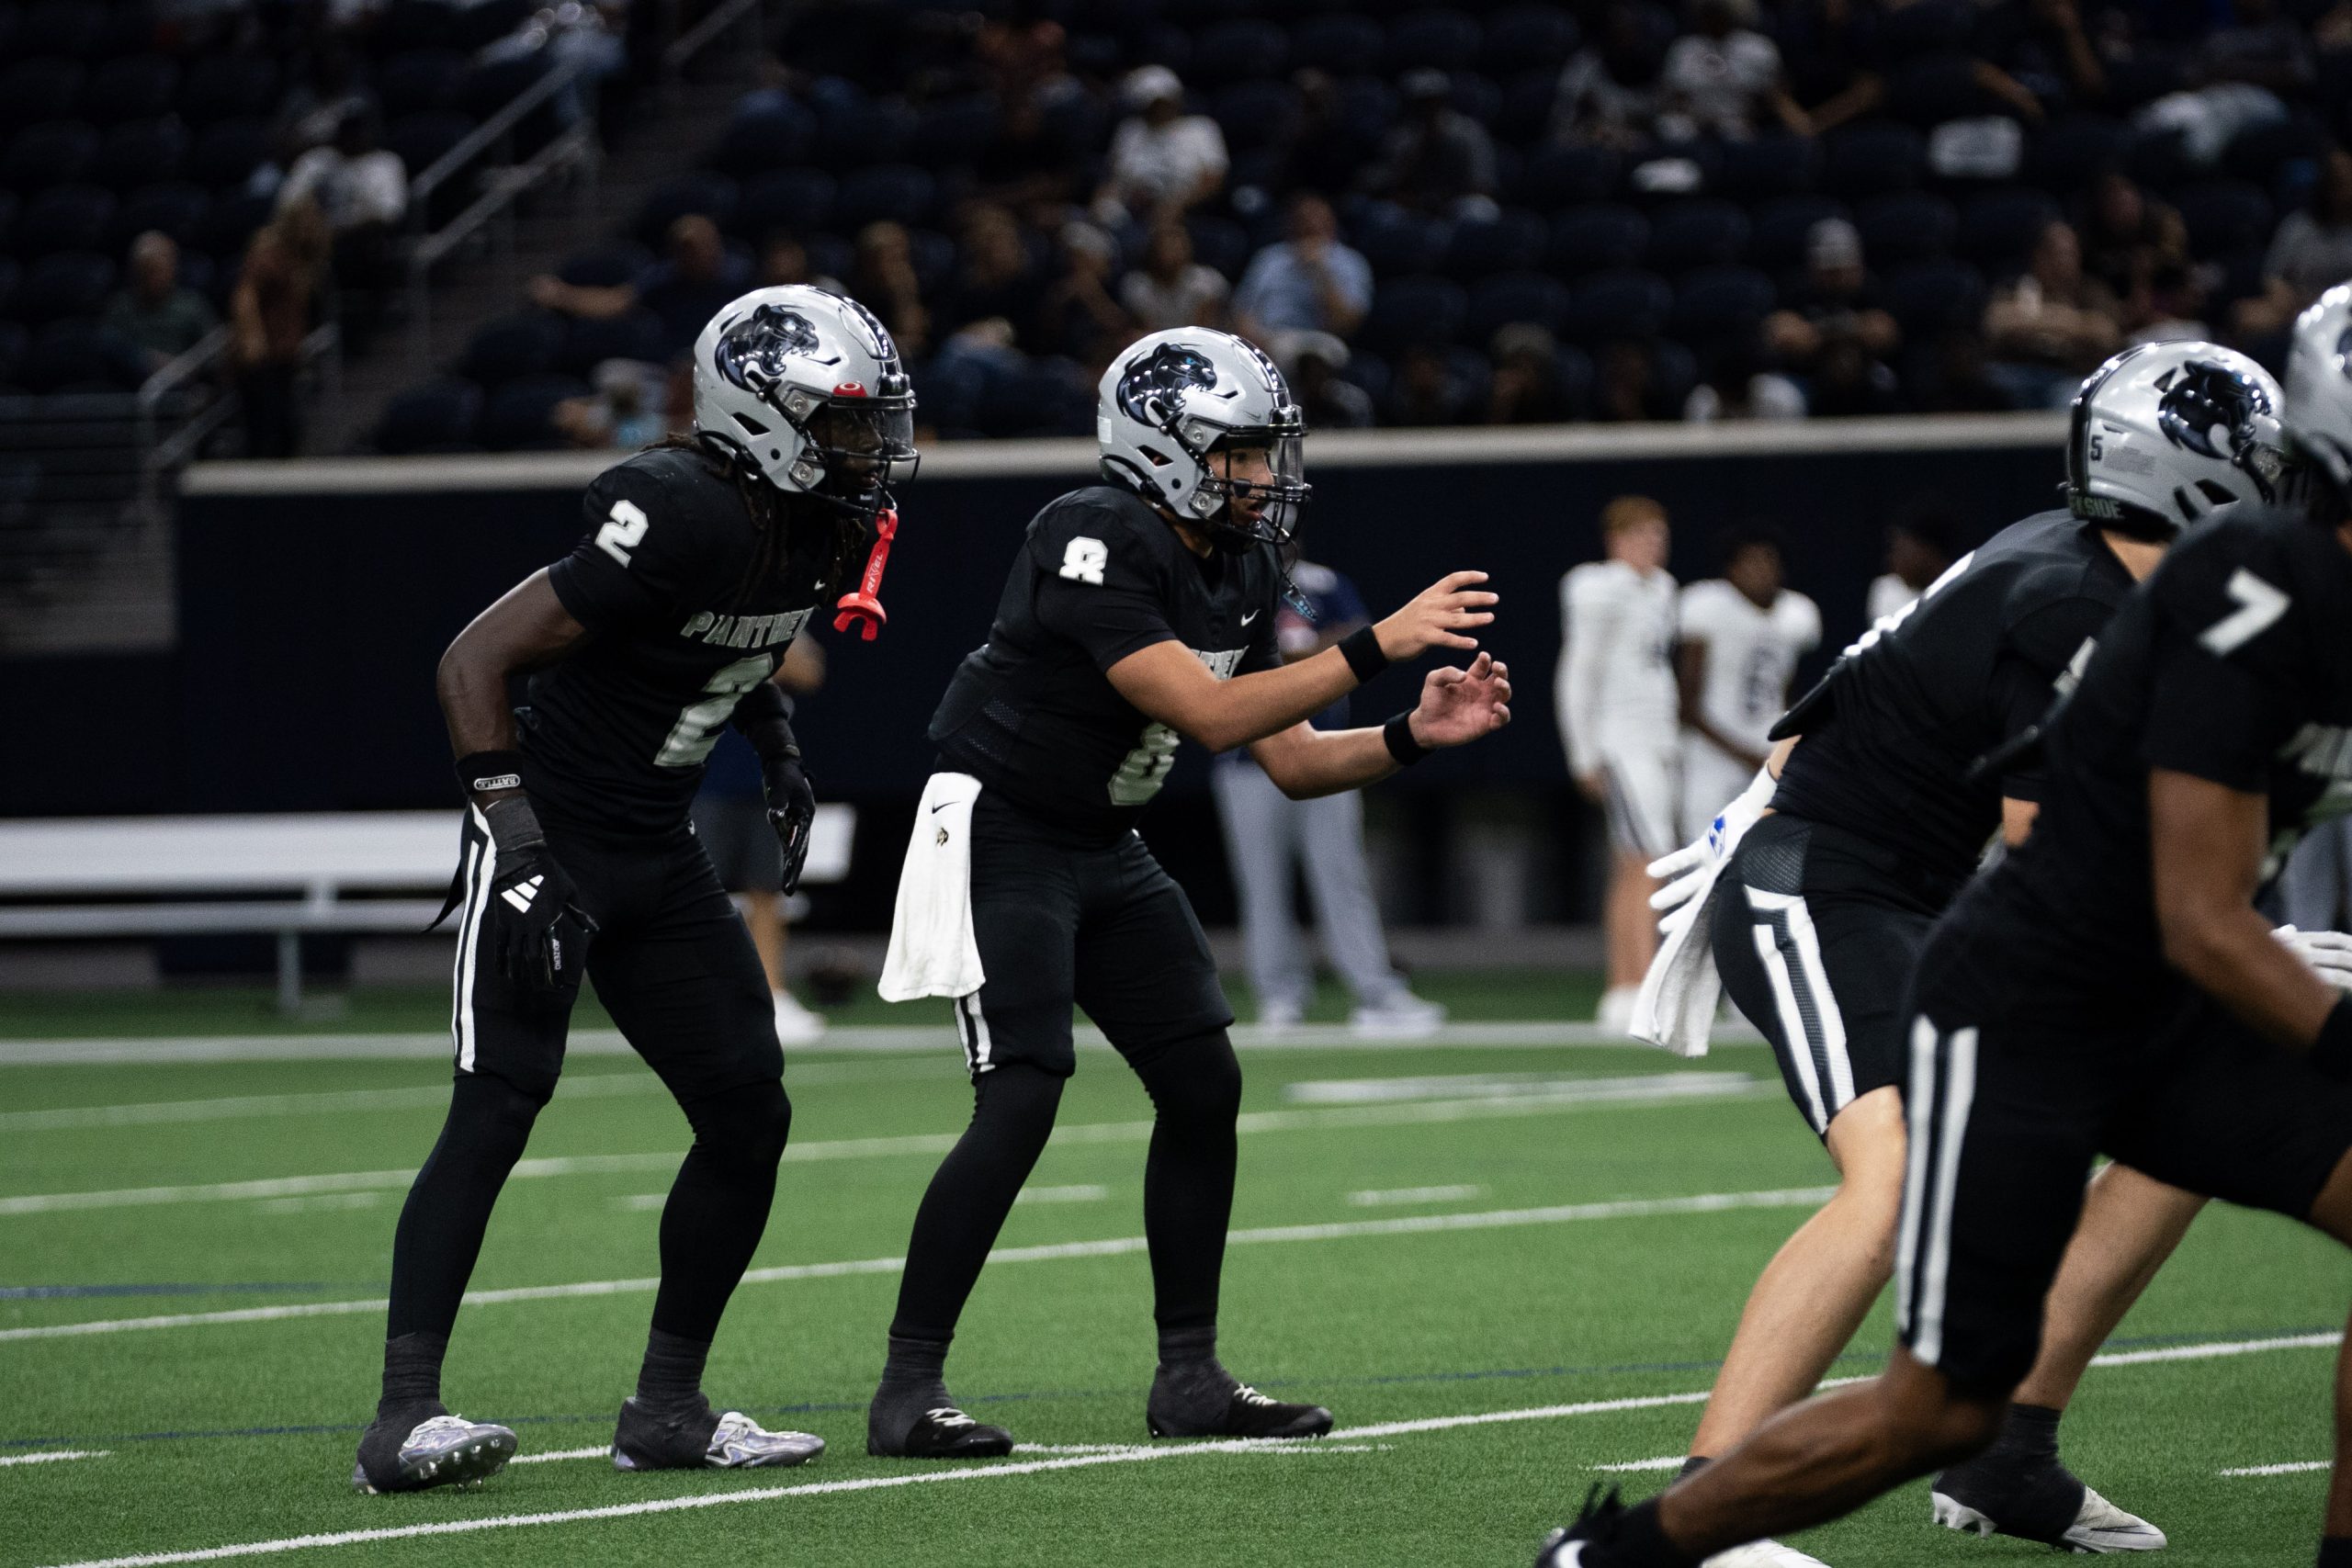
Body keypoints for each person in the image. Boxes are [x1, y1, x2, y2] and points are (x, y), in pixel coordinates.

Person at [1590, 340, 2294, 1566]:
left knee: (2195, 1115)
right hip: (1817, 880)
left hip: (1911, 896)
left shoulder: (2097, 569)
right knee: (1900, 1179)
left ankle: (2007, 1446)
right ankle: (1712, 1508)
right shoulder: (2079, 602)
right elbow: (2046, 850)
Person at [866, 327, 1510, 1459]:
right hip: (1001, 829)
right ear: (1161, 446)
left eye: (1265, 452)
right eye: (1240, 453)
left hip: (1101, 839)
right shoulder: (1089, 531)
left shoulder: (1241, 564)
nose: (1261, 476)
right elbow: (1208, 715)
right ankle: (907, 1388)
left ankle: (1190, 1379)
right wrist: (1376, 647)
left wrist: (1411, 733)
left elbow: (1292, 762)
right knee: (1021, 1096)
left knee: (1203, 1081)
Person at [351, 287, 917, 1495]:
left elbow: (740, 641)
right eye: (843, 422)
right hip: (552, 833)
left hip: (658, 846)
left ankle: (666, 1408)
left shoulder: (812, 520)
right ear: (762, 415)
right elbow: (474, 659)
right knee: (500, 1104)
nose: (866, 449)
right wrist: (517, 844)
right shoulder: (678, 504)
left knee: (748, 1108)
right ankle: (402, 1416)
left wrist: (778, 749)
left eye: (872, 424)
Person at [1211, 558, 1448, 1035]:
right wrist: (1308, 657)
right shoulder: (1225, 581)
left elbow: (1357, 638)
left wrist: (1297, 657)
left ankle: (1376, 992)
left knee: (1342, 877)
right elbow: (1227, 658)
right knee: (1263, 886)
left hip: (1326, 750)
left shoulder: (1319, 583)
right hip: (1246, 761)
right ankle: (1279, 996)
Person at [1558, 495, 1679, 1033]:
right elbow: (1579, 670)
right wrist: (1583, 751)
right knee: (1645, 861)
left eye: (1659, 534)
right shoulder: (1597, 586)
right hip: (1622, 740)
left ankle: (1630, 984)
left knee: (1637, 862)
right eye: (1641, 535)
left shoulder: (1662, 589)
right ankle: (1635, 985)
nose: (1653, 545)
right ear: (1616, 540)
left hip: (1656, 740)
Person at [691, 636, 830, 1044]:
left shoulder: (776, 619)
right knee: (695, 893)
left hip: (766, 780)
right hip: (705, 778)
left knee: (768, 890)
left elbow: (809, 671)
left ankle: (772, 996)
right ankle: (699, 995)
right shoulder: (707, 616)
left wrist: (760, 645)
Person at [1674, 527, 1819, 840]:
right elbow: (1687, 703)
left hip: (1767, 751)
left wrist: (1781, 749)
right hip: (1711, 756)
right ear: (1731, 569)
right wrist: (1743, 754)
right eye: (1751, 561)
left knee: (1770, 851)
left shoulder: (1797, 614)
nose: (1761, 570)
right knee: (1704, 852)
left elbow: (1786, 693)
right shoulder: (1707, 605)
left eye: (1769, 561)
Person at [530, 214, 754, 361]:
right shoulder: (666, 277)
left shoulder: (740, 276)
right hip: (675, 366)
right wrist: (561, 295)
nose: (698, 256)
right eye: (686, 250)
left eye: (704, 246)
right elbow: (617, 301)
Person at [1983, 220, 2122, 410]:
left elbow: (2107, 331)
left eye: (2069, 254)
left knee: (2070, 397)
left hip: (2070, 374)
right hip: (2019, 372)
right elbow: (1998, 322)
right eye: (2054, 254)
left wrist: (2039, 321)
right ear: (2038, 256)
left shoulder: (2090, 291)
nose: (2062, 262)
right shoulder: (2017, 287)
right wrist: (2073, 323)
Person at [1231, 194, 1372, 348]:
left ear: (1332, 222)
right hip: (1269, 339)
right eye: (1303, 218)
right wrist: (1254, 343)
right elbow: (1243, 309)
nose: (1311, 224)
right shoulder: (1269, 258)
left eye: (1318, 217)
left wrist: (1320, 272)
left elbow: (1346, 323)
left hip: (1319, 342)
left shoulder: (1350, 262)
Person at [1096, 65, 1227, 226]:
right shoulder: (1130, 130)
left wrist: (1176, 205)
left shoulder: (1201, 129)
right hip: (1130, 210)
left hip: (1183, 212)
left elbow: (1213, 179)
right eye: (1154, 104)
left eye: (1165, 101)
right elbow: (1113, 178)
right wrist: (1105, 202)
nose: (1160, 109)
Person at [1366, 69, 1499, 219]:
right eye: (1421, 101)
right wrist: (1420, 148)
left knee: (1480, 209)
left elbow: (1482, 185)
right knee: (1384, 213)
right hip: (1413, 204)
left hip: (1456, 201)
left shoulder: (1468, 131)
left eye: (1432, 100)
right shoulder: (1401, 137)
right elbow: (1385, 184)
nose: (1427, 107)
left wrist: (1443, 201)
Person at [102, 231, 219, 377]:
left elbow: (213, 355)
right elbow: (107, 347)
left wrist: (182, 367)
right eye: (148, 271)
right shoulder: (121, 306)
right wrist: (146, 358)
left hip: (180, 381)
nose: (154, 278)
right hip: (128, 382)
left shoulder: (193, 305)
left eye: (160, 270)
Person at [1119, 220, 1228, 333]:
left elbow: (1204, 330)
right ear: (1153, 250)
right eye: (1166, 247)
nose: (1173, 254)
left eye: (1177, 246)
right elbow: (1145, 332)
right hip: (1156, 341)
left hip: (1197, 340)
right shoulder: (1137, 286)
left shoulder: (1207, 281)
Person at [1864, 503, 1956, 624]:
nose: (1892, 560)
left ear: (1926, 549)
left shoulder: (1963, 590)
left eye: (1899, 548)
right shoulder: (1887, 591)